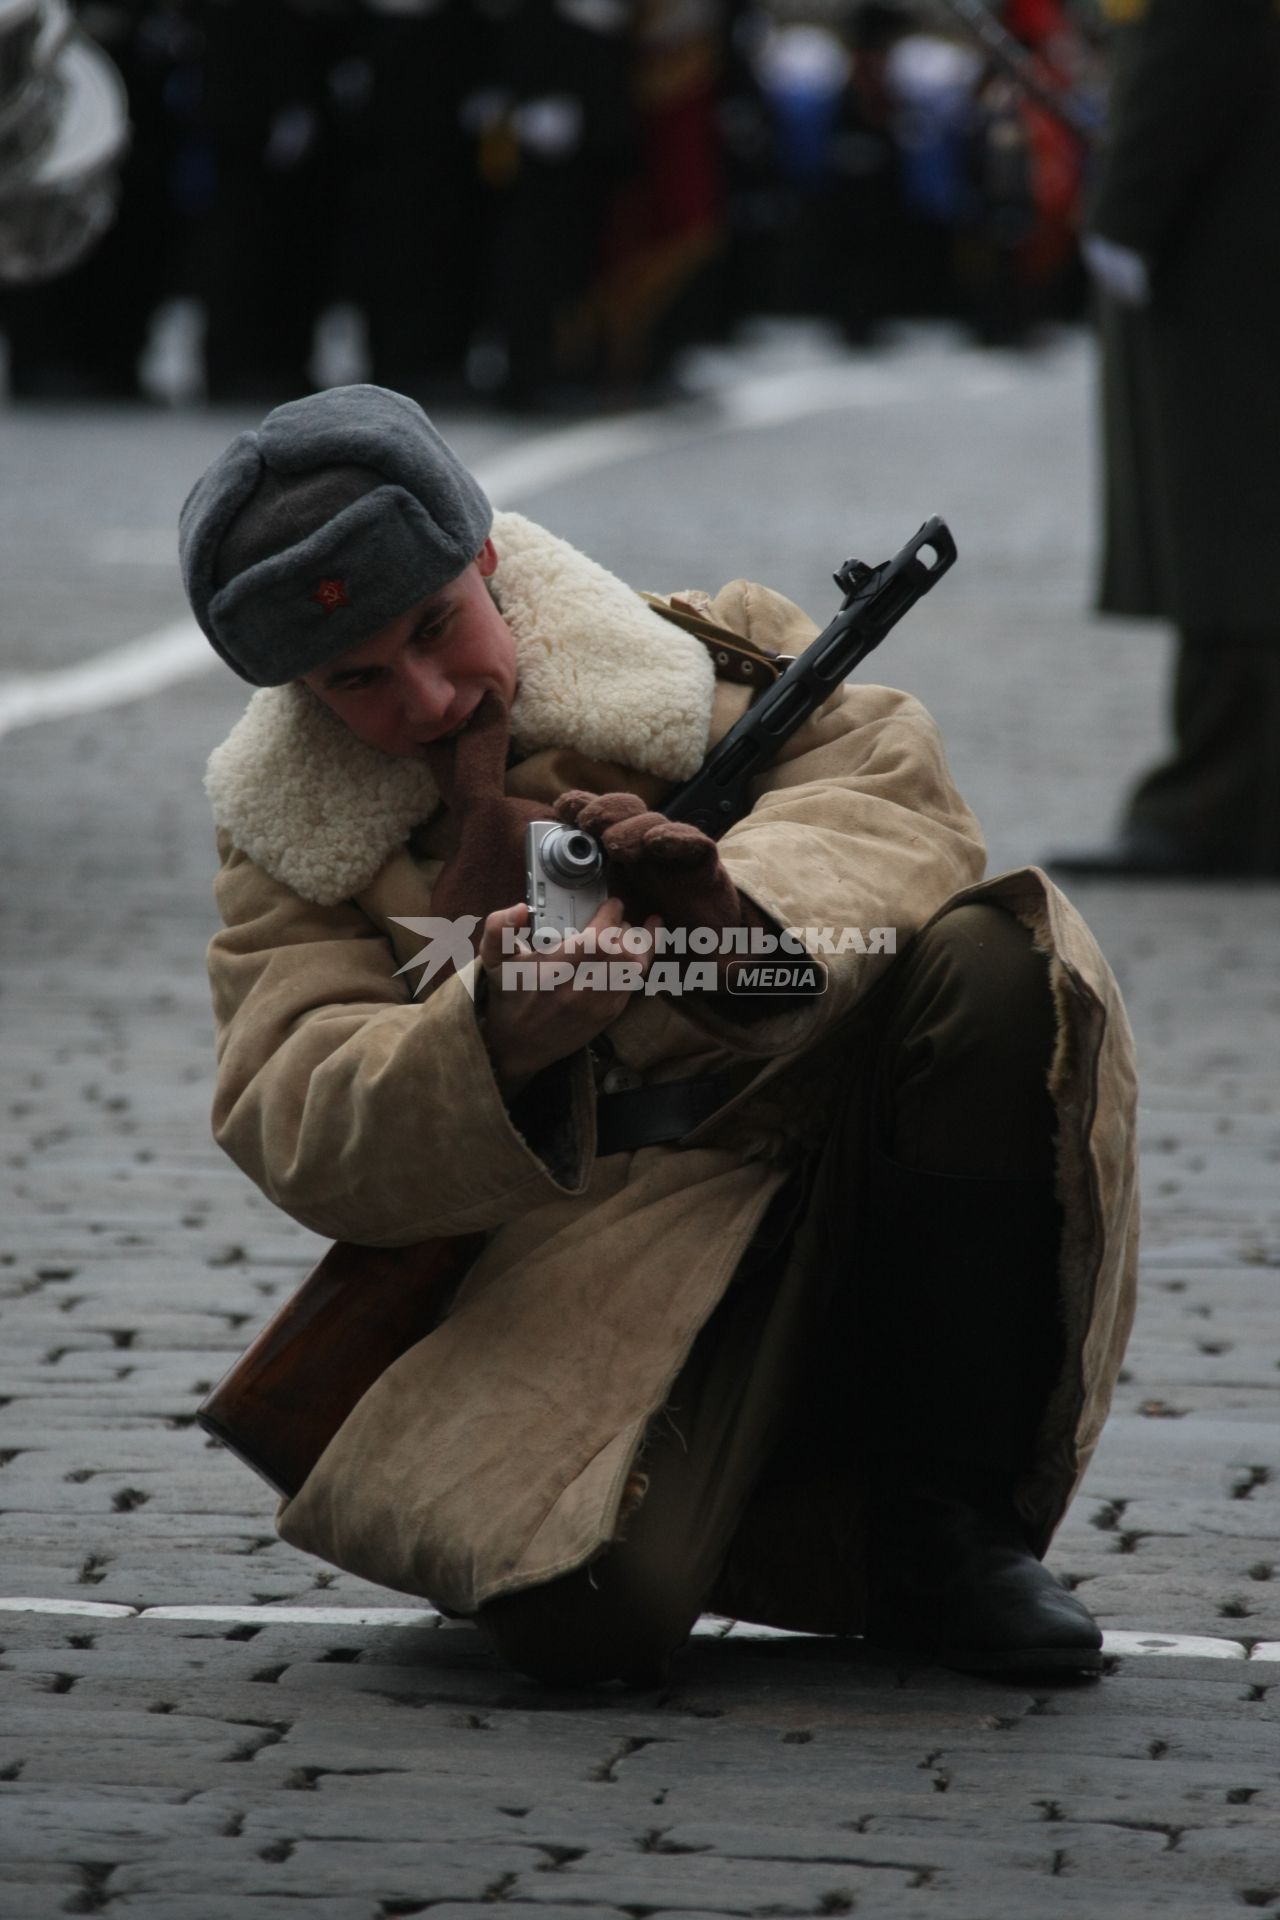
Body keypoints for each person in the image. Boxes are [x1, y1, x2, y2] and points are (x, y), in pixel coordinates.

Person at [181, 383, 1138, 1686]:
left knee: (999, 963)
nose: (422, 692)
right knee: (587, 1625)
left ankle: (945, 1532)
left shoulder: (715, 657)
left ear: (488, 560)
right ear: (301, 688)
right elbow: (296, 1108)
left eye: (437, 627)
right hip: (598, 1245)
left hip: (844, 1150)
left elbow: (894, 811)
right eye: (358, 678)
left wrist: (723, 920)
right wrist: (494, 1044)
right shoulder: (294, 840)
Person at [1050, 0, 1280, 879]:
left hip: (1220, 263)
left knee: (1229, 533)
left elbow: (1191, 59)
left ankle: (1215, 804)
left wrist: (1126, 213)